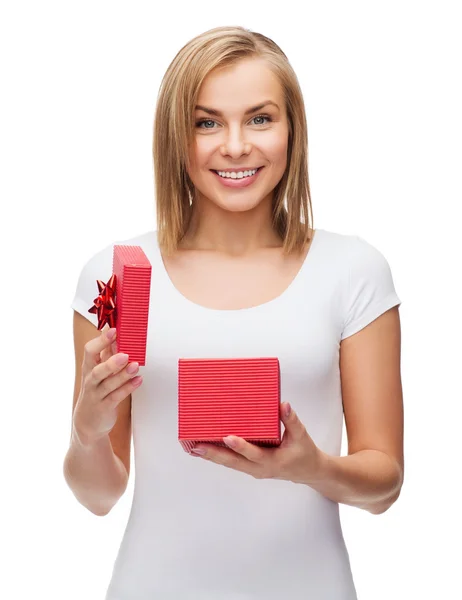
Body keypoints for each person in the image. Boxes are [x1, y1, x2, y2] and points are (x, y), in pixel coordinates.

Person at [64, 25, 404, 600]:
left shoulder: (352, 270)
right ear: (176, 137)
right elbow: (99, 496)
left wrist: (309, 466)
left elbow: (385, 485)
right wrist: (87, 430)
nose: (236, 145)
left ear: (292, 129)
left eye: (260, 118)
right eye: (207, 122)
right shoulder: (122, 272)